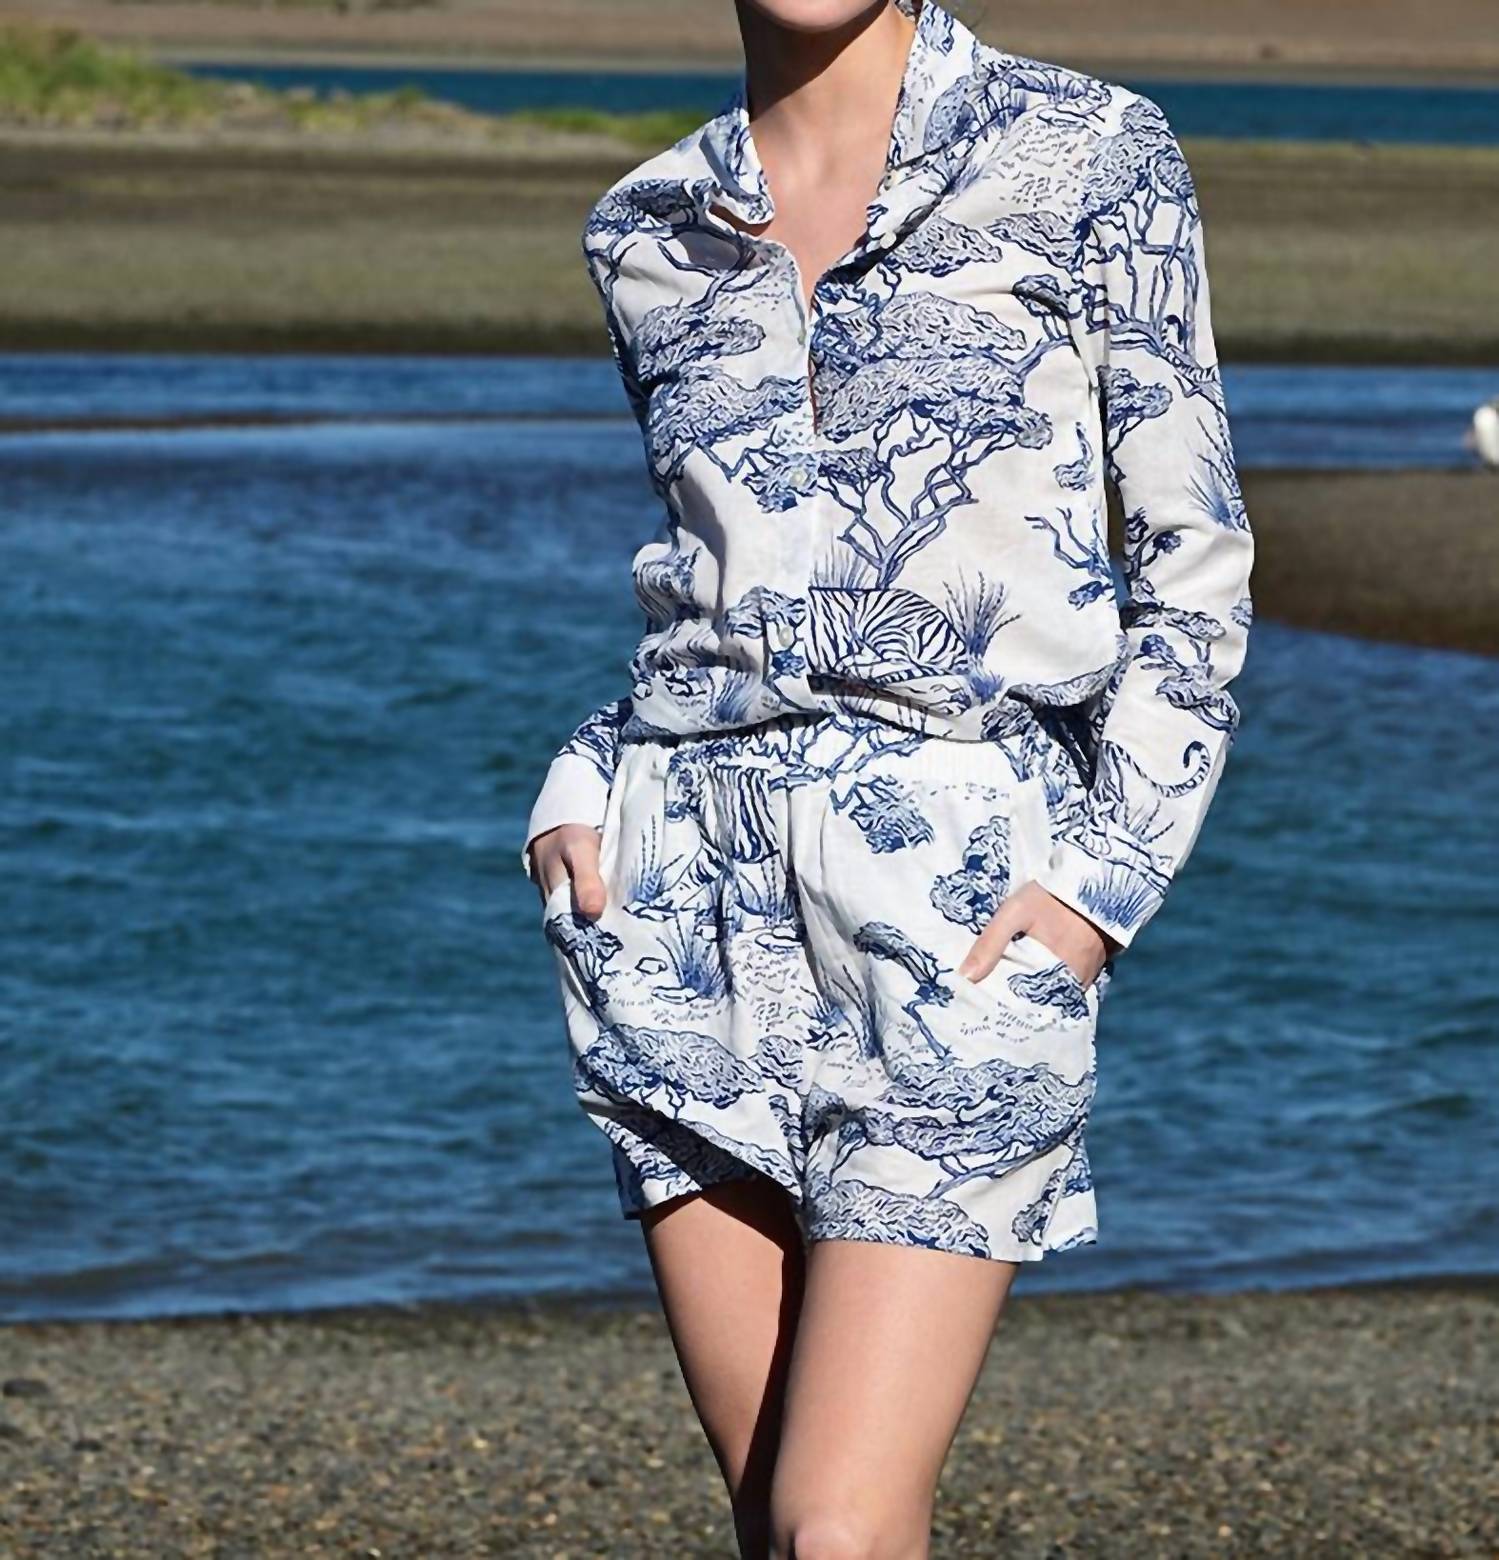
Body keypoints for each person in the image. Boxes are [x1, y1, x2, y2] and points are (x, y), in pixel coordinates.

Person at [522, 0, 1254, 1552]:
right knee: (782, 1532)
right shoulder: (648, 225)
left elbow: (1192, 566)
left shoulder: (1088, 152)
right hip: (677, 912)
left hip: (962, 922)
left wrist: (1098, 891)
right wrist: (578, 787)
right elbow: (713, 598)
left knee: (838, 1523)